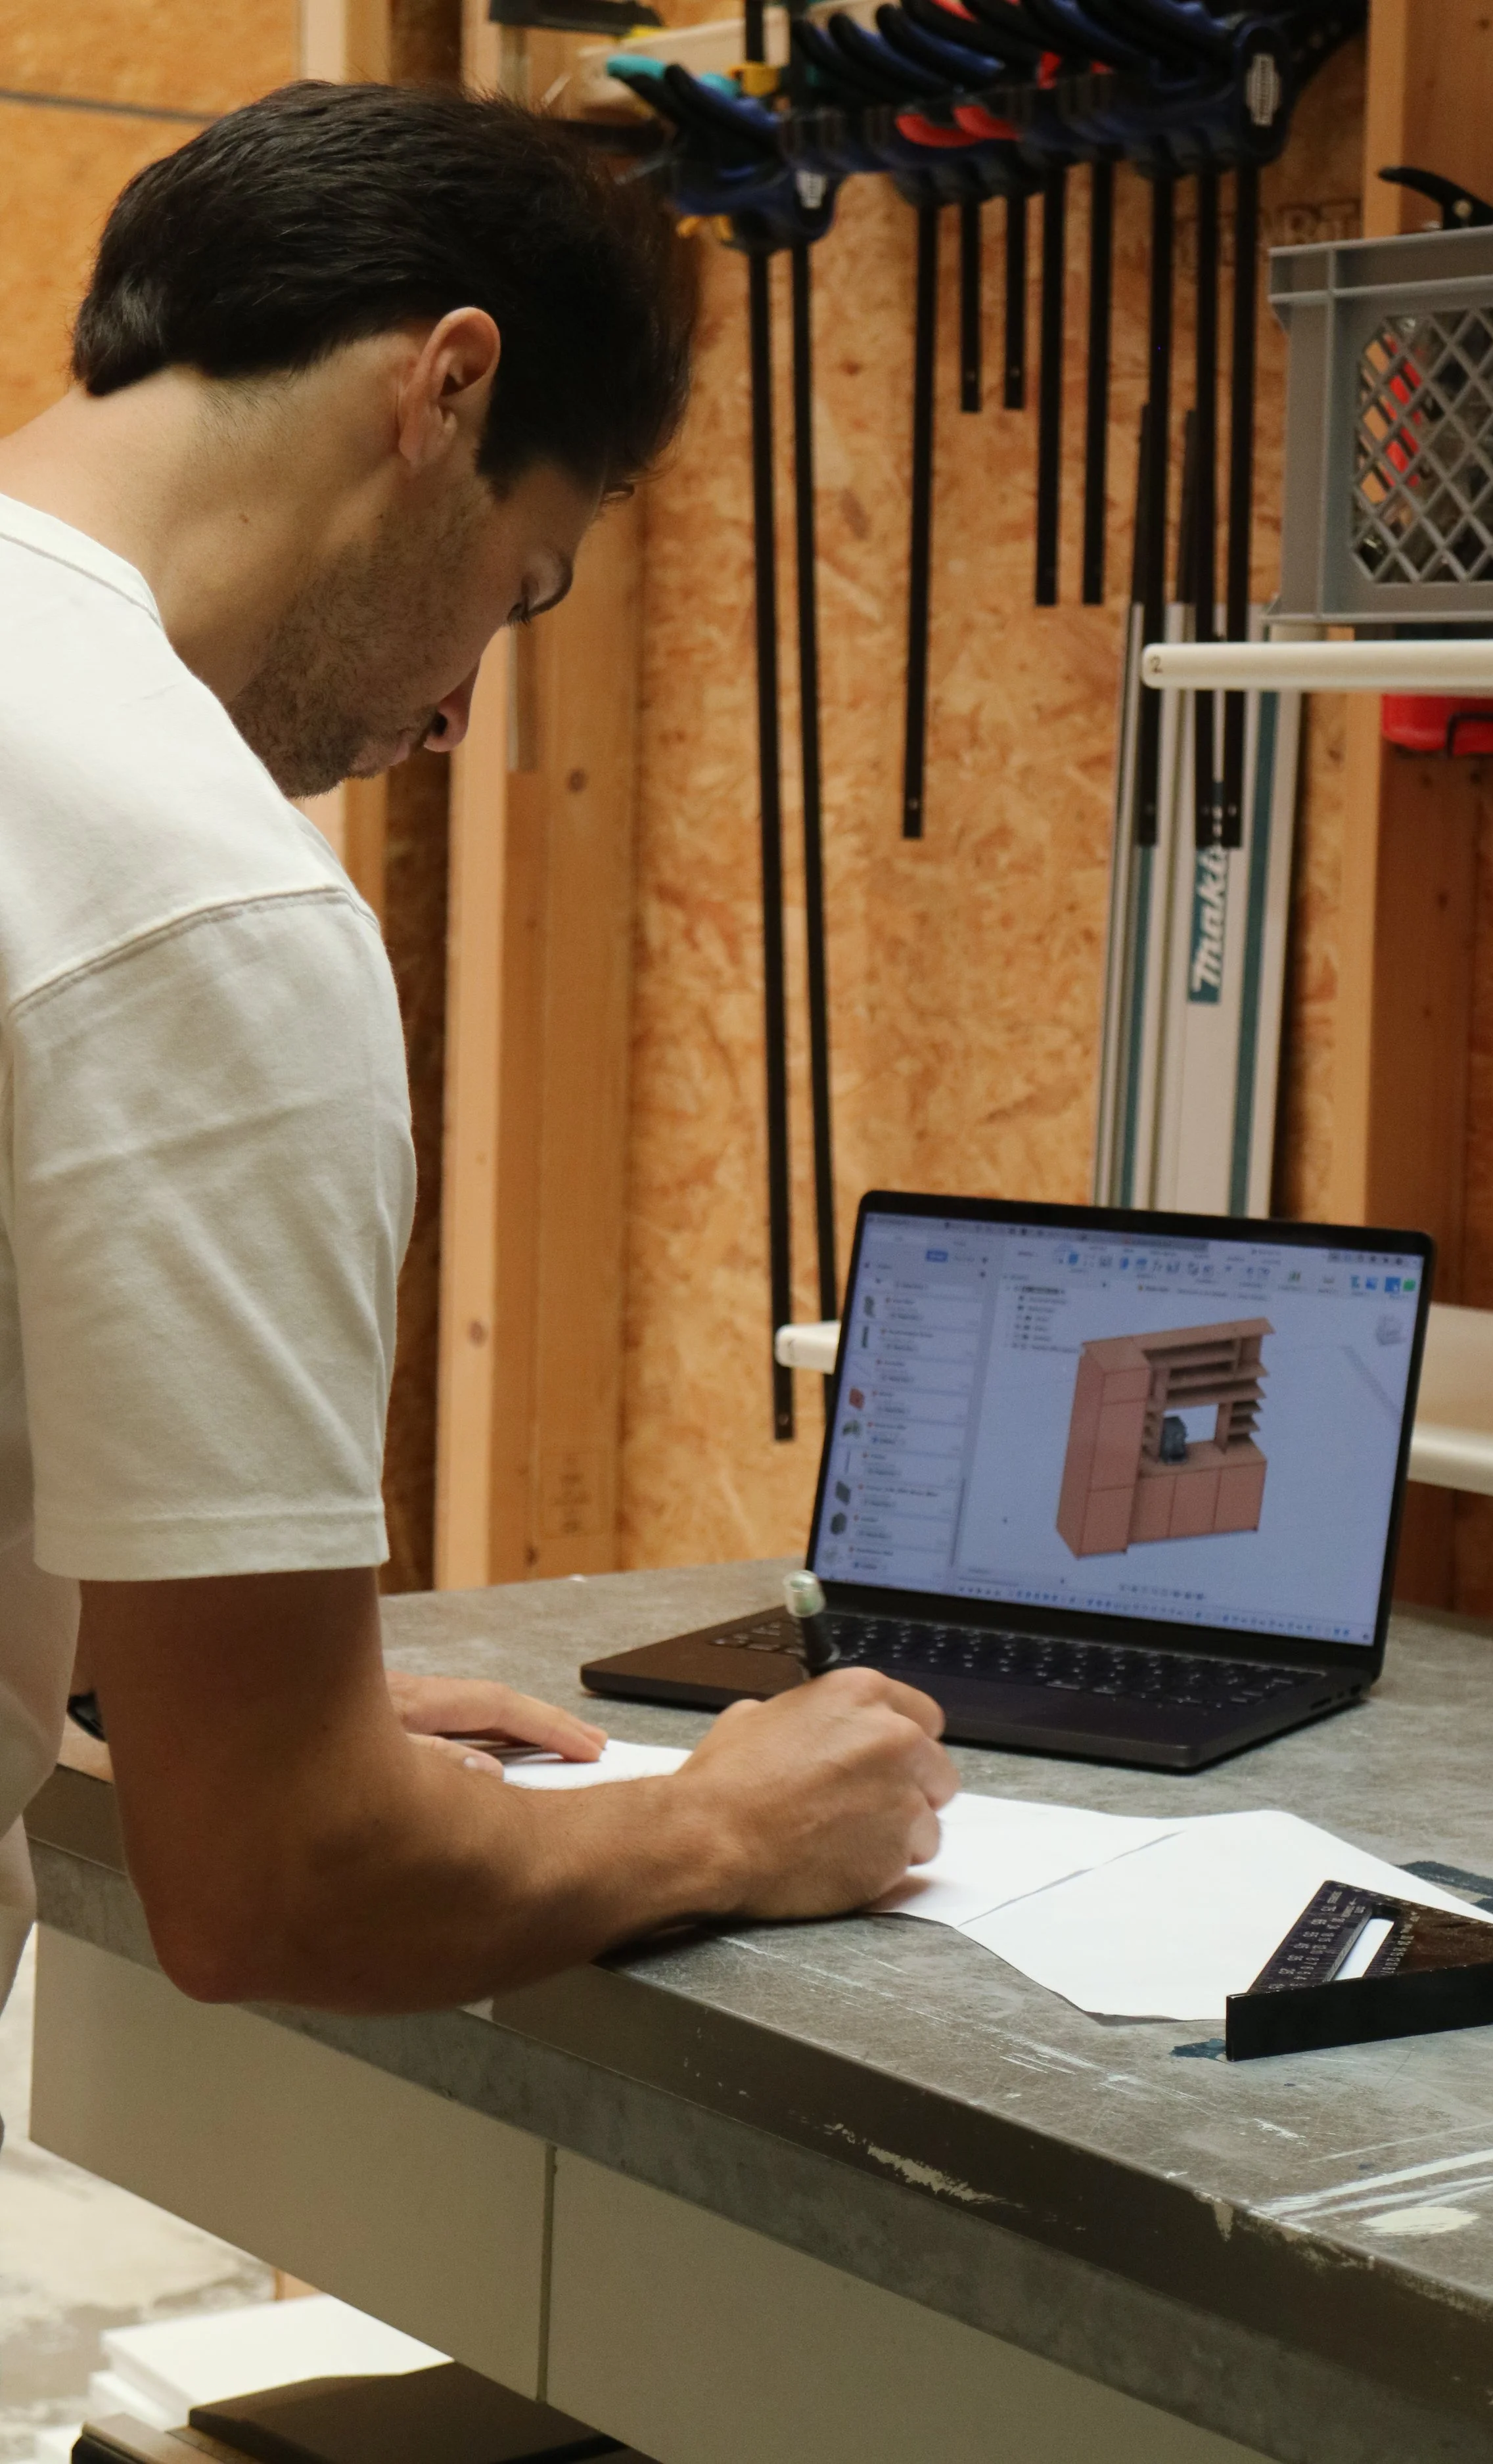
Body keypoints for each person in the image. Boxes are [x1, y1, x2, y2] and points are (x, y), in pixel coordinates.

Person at [0, 80, 955, 2021]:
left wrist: (176, 1658)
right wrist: (731, 1824)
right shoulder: (202, 891)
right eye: (517, 589)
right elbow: (281, 1880)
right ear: (444, 392)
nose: (452, 714)